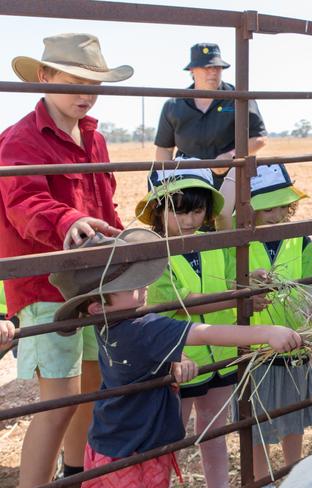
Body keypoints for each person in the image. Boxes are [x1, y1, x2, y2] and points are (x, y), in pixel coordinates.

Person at [47, 228, 301, 487]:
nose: (145, 284)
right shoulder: (143, 327)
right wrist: (267, 333)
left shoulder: (104, 322)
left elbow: (144, 354)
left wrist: (176, 356)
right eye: (132, 285)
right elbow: (204, 334)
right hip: (140, 449)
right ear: (98, 306)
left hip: (108, 441)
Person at [0, 33, 132, 486]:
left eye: (93, 83)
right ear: (43, 76)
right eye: (73, 81)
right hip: (44, 286)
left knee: (90, 389)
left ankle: (74, 473)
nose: (85, 93)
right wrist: (67, 220)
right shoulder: (20, 139)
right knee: (58, 402)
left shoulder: (94, 139)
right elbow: (24, 202)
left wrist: (126, 249)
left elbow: (106, 204)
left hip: (92, 282)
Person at [136, 166, 268, 488]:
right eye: (178, 211)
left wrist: (254, 281)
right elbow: (187, 302)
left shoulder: (214, 243)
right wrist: (240, 298)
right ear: (158, 210)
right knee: (170, 440)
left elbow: (232, 279)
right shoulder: (155, 254)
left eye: (196, 210)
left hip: (219, 358)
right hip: (179, 362)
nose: (189, 220)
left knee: (215, 433)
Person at [222, 163, 312, 481]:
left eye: (282, 206)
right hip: (258, 351)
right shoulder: (236, 244)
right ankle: (262, 478)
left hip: (294, 345)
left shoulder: (298, 239)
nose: (277, 214)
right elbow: (225, 284)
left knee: (293, 417)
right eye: (267, 208)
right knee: (258, 424)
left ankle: (294, 473)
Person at [154, 43, 267, 192]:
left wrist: (231, 156)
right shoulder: (174, 105)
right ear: (192, 70)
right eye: (207, 67)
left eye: (217, 67)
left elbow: (259, 138)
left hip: (230, 179)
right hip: (187, 181)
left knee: (228, 215)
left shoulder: (239, 98)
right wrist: (167, 181)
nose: (213, 72)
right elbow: (164, 149)